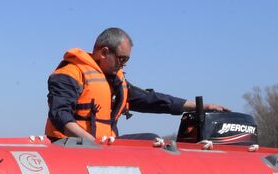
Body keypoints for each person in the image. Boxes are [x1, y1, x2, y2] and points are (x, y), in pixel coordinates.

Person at [45, 27, 228, 144]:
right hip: (72, 146)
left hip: (104, 145)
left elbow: (153, 100)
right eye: (121, 59)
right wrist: (92, 143)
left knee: (152, 140)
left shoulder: (117, 83)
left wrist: (200, 107)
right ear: (104, 52)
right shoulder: (70, 74)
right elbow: (61, 115)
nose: (123, 65)